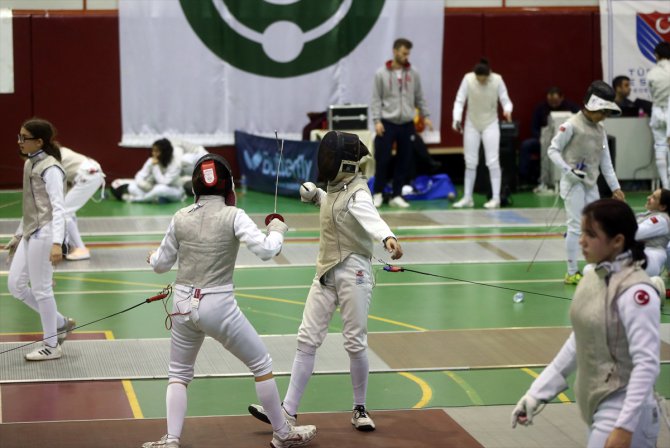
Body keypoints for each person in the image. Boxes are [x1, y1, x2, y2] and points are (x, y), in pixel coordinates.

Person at [143, 154, 316, 448]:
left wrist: (152, 258)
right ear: (228, 185)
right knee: (261, 364)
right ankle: (284, 434)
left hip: (182, 306)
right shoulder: (233, 215)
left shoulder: (180, 216)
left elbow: (160, 265)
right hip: (218, 305)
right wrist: (277, 228)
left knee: (178, 374)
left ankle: (171, 438)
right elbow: (266, 250)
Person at [247, 131, 403, 432]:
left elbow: (368, 215)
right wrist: (317, 195)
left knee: (355, 342)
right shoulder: (336, 186)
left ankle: (359, 408)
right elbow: (336, 207)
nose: (326, 161)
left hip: (353, 272)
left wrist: (388, 237)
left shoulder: (358, 192)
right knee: (306, 340)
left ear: (344, 163)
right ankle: (288, 412)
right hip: (325, 272)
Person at [511, 198, 662, 448]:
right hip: (599, 405)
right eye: (582, 232)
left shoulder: (636, 293)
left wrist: (624, 427)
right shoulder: (593, 276)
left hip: (626, 410)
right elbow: (580, 340)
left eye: (591, 234)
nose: (581, 240)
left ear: (617, 241)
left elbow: (646, 364)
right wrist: (536, 393)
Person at [5, 118, 76, 361]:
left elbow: (59, 209)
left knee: (42, 290)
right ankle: (60, 323)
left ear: (39, 141)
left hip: (46, 234)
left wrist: (58, 243)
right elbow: (31, 206)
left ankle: (51, 345)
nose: (20, 141)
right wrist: (17, 235)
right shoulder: (30, 164)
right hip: (30, 232)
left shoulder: (51, 168)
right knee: (15, 285)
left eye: (24, 138)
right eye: (19, 136)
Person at [547, 80, 625, 285]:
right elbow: (552, 150)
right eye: (602, 111)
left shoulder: (601, 130)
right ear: (591, 107)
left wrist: (615, 187)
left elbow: (605, 163)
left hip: (591, 183)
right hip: (573, 184)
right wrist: (568, 170)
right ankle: (571, 271)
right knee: (574, 227)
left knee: (596, 225)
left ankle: (596, 265)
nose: (604, 116)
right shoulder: (571, 125)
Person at [370, 37, 433, 209]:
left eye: (408, 53)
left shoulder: (413, 73)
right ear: (395, 51)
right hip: (387, 122)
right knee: (382, 159)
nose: (406, 56)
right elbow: (376, 99)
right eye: (404, 53)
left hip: (406, 123)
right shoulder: (381, 74)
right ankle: (378, 193)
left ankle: (396, 194)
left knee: (404, 159)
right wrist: (376, 120)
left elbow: (419, 96)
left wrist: (426, 116)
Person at [451, 58, 513, 209]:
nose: (481, 82)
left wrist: (507, 110)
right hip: (472, 122)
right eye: (479, 79)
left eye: (484, 79)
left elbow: (506, 100)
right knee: (470, 161)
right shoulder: (468, 79)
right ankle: (467, 197)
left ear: (488, 75)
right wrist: (456, 118)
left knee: (493, 161)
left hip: (490, 123)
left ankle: (496, 198)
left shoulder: (497, 80)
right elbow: (459, 100)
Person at [518, 86, 579, 190]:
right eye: (550, 101)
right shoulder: (540, 108)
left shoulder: (571, 108)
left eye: (555, 101)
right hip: (543, 141)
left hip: (567, 142)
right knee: (526, 145)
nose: (553, 104)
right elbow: (534, 128)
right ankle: (523, 178)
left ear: (561, 98)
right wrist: (542, 139)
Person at [59, 147, 105, 261]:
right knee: (67, 211)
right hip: (90, 174)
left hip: (88, 176)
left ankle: (81, 249)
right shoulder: (58, 151)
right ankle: (73, 246)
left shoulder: (50, 157)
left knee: (63, 213)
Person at [110, 138, 183, 203]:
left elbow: (164, 182)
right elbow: (140, 175)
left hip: (173, 191)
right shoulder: (151, 160)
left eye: (157, 151)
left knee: (160, 189)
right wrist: (142, 184)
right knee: (131, 187)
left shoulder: (175, 165)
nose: (153, 154)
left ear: (165, 152)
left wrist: (155, 166)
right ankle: (153, 199)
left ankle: (137, 199)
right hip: (153, 189)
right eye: (153, 151)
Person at [647, 42, 670, 188]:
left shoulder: (651, 74)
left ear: (657, 55)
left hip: (657, 112)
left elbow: (651, 95)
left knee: (660, 147)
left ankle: (666, 188)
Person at [635, 188, 670, 277]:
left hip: (651, 256)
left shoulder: (661, 219)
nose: (648, 197)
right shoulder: (649, 213)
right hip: (643, 253)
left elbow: (635, 233)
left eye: (654, 198)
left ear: (662, 207)